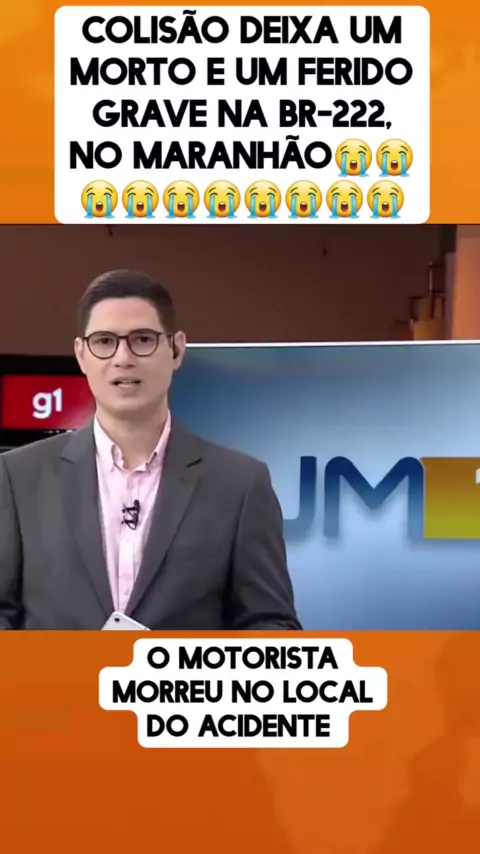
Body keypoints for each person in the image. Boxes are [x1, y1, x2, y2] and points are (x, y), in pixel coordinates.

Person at [0, 270, 301, 631]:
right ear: (81, 354)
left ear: (176, 349)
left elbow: (271, 626)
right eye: (104, 341)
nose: (123, 358)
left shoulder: (240, 484)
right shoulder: (17, 478)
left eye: (142, 339)